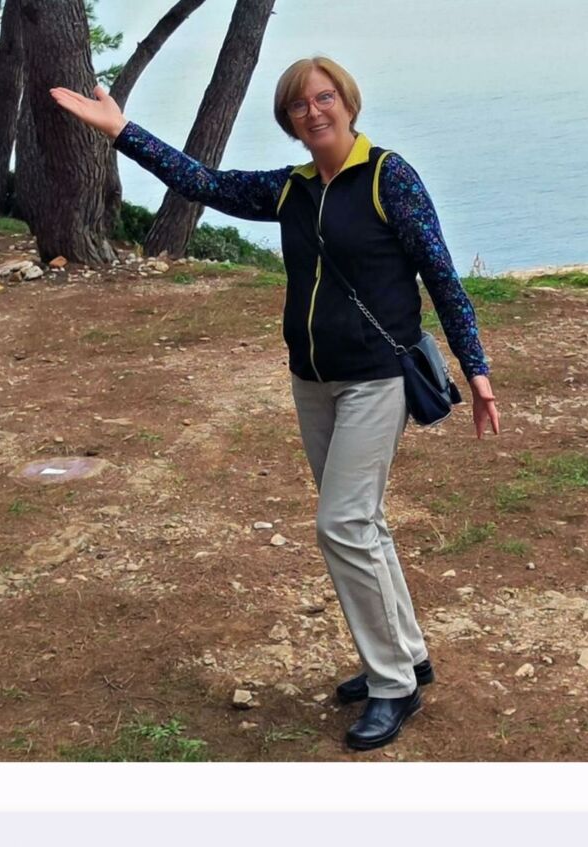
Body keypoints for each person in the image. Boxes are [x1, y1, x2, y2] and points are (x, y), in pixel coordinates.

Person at [50, 55, 500, 752]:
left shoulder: (390, 178)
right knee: (363, 524)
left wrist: (477, 371)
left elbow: (441, 273)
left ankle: (392, 684)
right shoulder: (291, 188)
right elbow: (202, 181)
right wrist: (120, 131)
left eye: (324, 98)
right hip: (312, 381)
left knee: (342, 524)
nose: (313, 111)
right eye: (298, 104)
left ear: (347, 101)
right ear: (288, 119)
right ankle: (407, 655)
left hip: (376, 379)